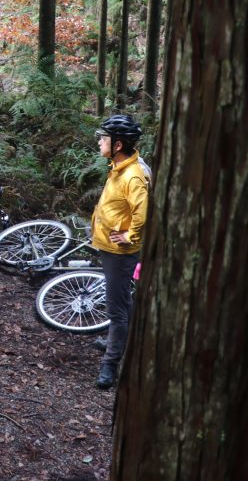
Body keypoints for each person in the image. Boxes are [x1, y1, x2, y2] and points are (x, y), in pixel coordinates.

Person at [91, 114, 149, 389]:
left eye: (103, 138)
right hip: (109, 246)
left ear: (117, 145)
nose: (99, 142)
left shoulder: (132, 175)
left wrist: (129, 236)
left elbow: (142, 213)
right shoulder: (118, 167)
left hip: (119, 252)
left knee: (116, 310)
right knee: (123, 300)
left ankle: (110, 364)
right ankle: (125, 339)